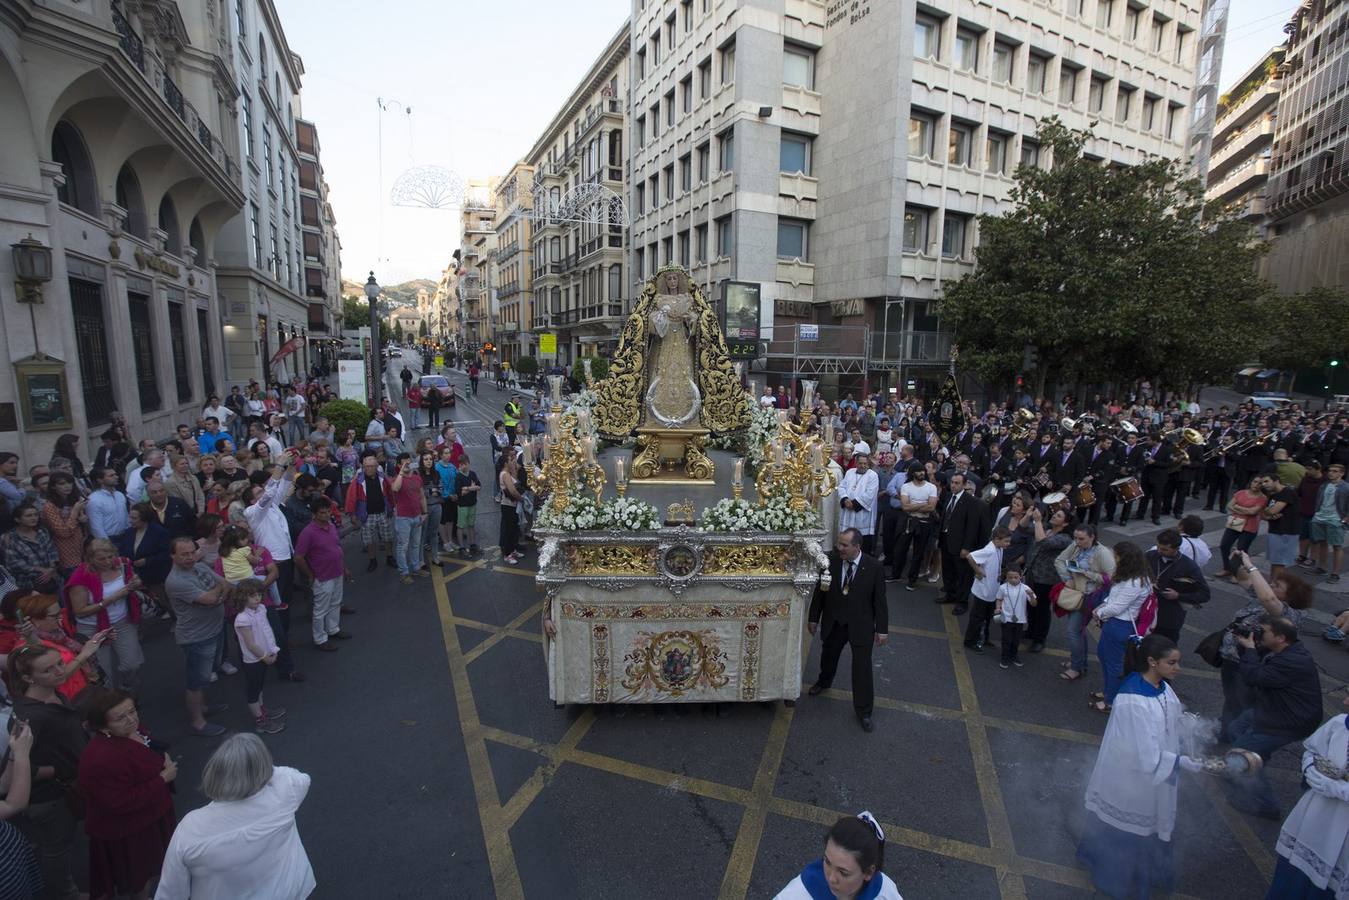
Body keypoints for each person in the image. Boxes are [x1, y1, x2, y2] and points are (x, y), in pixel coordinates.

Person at [1076, 634, 1205, 899]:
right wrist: (1180, 763)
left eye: (1177, 662)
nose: (1177, 668)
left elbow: (1168, 718)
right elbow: (1146, 757)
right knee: (1129, 830)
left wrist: (1185, 725)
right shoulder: (1134, 699)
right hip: (1132, 780)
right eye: (1172, 663)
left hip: (1154, 774)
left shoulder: (1162, 687)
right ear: (1152, 662)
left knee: (1150, 824)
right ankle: (1119, 881)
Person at [155, 734, 316, 899]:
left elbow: (171, 892)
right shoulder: (284, 795)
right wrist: (255, 762)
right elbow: (299, 778)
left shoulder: (191, 827)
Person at [8, 644, 92, 900]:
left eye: (59, 663)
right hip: (50, 798)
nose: (60, 671)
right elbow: (16, 769)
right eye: (48, 669)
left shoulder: (53, 695)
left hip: (66, 788)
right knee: (56, 850)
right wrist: (59, 770)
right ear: (28, 678)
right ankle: (65, 894)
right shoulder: (28, 716)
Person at [78, 690, 177, 900]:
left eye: (132, 711)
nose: (131, 719)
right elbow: (118, 802)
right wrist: (162, 779)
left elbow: (148, 747)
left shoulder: (130, 731)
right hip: (131, 829)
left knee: (151, 869)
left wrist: (162, 757)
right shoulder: (101, 757)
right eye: (120, 717)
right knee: (139, 876)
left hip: (149, 817)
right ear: (103, 726)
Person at [1226, 616, 1324, 819]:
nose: (1260, 634)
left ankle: (1266, 804)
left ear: (1280, 638)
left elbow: (1253, 677)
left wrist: (1251, 650)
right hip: (1274, 710)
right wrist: (1250, 643)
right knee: (1236, 728)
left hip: (1287, 721)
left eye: (1264, 632)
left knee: (1244, 751)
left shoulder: (1291, 661)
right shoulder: (1287, 650)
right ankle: (1252, 766)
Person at [1219, 552, 1314, 740]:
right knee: (1232, 698)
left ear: (1290, 596)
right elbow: (1243, 578)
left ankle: (1240, 741)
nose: (1271, 586)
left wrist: (1251, 565)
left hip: (1250, 662)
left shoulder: (1289, 614)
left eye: (1277, 586)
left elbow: (1268, 599)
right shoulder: (1264, 597)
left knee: (1243, 701)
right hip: (1232, 657)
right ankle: (1226, 731)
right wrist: (1240, 560)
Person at [1266, 691, 1349, 899]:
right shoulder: (1339, 724)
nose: (1345, 701)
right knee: (1293, 877)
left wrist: (1337, 789)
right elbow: (1312, 750)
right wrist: (1310, 769)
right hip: (1313, 817)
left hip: (1343, 832)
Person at [807, 529, 889, 733]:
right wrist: (813, 618)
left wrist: (882, 629)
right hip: (834, 621)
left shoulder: (874, 567)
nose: (839, 548)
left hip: (860, 625)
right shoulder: (830, 561)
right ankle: (824, 681)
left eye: (844, 545)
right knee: (829, 655)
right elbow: (820, 592)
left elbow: (880, 601)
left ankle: (864, 711)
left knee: (862, 669)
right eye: (839, 544)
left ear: (857, 547)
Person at [164, 537, 231, 737]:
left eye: (192, 552)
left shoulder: (199, 567)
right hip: (197, 637)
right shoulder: (176, 581)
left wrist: (217, 594)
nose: (190, 557)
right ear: (172, 556)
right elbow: (212, 597)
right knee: (196, 681)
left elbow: (224, 583)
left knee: (205, 675)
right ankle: (198, 722)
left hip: (215, 629)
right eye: (184, 554)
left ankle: (203, 708)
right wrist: (218, 593)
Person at [64, 539, 145, 694]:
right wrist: (112, 599)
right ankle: (108, 702)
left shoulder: (123, 564)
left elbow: (134, 580)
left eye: (110, 556)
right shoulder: (80, 578)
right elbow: (79, 611)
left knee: (131, 664)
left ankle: (127, 689)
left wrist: (136, 582)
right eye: (101, 559)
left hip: (122, 622)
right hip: (92, 628)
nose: (108, 561)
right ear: (90, 559)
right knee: (102, 671)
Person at [774, 812, 903, 899]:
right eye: (827, 862)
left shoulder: (885, 893)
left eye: (843, 873)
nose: (831, 878)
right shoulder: (798, 895)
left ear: (868, 872)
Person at [1089, 541, 1153, 712]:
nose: (1113, 559)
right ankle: (1108, 691)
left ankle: (1110, 701)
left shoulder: (1135, 582)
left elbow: (1118, 607)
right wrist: (1102, 606)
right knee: (1104, 656)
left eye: (1115, 556)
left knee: (1114, 663)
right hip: (1115, 623)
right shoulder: (1131, 577)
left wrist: (1100, 613)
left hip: (1120, 625)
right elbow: (1114, 598)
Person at [1056, 524, 1116, 684]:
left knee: (1073, 631)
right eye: (1075, 538)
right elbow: (1060, 560)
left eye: (1081, 539)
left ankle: (1076, 667)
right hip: (1076, 594)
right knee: (1078, 631)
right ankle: (1079, 661)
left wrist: (1087, 574)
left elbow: (1111, 578)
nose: (1077, 541)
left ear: (1092, 537)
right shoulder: (1075, 546)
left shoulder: (1102, 553)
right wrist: (1067, 578)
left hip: (1090, 597)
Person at [294, 498, 350, 652]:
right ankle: (320, 639)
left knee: (335, 602)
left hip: (336, 572)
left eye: (328, 511)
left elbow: (337, 547)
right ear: (314, 514)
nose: (326, 515)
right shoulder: (308, 533)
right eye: (322, 513)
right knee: (320, 609)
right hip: (322, 576)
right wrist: (310, 575)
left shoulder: (331, 526)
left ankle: (333, 629)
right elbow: (298, 557)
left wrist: (344, 567)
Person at [230, 580, 287, 733]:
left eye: (259, 595)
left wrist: (272, 649)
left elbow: (266, 631)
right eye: (253, 596)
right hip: (254, 660)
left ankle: (262, 711)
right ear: (243, 597)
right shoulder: (242, 619)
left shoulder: (261, 608)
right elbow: (250, 644)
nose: (258, 598)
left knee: (260, 685)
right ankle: (260, 720)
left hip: (264, 655)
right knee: (254, 690)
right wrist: (265, 657)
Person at [937, 472, 990, 616]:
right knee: (948, 572)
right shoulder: (948, 496)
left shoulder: (970, 502)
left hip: (960, 546)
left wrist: (966, 547)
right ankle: (950, 594)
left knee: (963, 576)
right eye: (952, 482)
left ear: (964, 484)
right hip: (946, 541)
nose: (953, 485)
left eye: (957, 483)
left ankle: (962, 602)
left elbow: (971, 527)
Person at [1147, 529, 1210, 644]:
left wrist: (1178, 595)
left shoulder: (1189, 566)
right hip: (1146, 611)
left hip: (1169, 617)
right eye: (1158, 547)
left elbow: (1204, 595)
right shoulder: (1150, 556)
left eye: (1165, 549)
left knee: (1164, 646)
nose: (1159, 551)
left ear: (1176, 549)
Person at [1026, 507, 1073, 655]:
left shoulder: (1065, 539)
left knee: (1042, 609)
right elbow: (1025, 528)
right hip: (1033, 574)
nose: (1054, 516)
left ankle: (1039, 639)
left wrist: (1038, 520)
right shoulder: (1046, 528)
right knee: (1031, 605)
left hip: (1047, 579)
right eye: (1055, 514)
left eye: (1058, 516)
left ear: (1065, 524)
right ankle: (1031, 630)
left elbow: (1043, 543)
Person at [962, 526, 1012, 651]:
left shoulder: (998, 548)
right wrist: (978, 570)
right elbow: (970, 556)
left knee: (987, 617)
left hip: (992, 589)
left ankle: (984, 638)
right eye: (1006, 541)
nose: (1008, 544)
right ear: (997, 539)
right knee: (977, 617)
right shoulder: (989, 550)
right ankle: (970, 641)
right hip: (983, 591)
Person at [888, 463, 937, 589]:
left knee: (918, 552)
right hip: (908, 521)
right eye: (919, 471)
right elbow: (905, 507)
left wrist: (913, 505)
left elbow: (931, 507)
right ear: (913, 473)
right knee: (900, 549)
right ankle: (895, 574)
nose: (922, 473)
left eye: (923, 471)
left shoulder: (931, 487)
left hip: (924, 523)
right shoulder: (906, 486)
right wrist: (923, 505)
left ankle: (912, 579)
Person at [0, 501, 59, 592]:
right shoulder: (10, 538)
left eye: (35, 515)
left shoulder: (42, 532)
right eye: (29, 516)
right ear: (17, 519)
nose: (34, 518)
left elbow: (52, 551)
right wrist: (40, 570)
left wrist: (51, 569)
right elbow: (13, 563)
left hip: (52, 579)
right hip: (29, 584)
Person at [1217, 475, 1266, 580]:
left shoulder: (1262, 498)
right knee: (1224, 545)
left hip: (1250, 526)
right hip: (1235, 523)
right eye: (1255, 481)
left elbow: (1253, 512)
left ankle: (1238, 573)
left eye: (1260, 483)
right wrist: (1245, 510)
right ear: (1251, 482)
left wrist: (1238, 507)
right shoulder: (1241, 493)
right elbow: (1229, 506)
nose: (1256, 485)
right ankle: (1227, 568)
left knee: (1241, 551)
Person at [1307, 461, 1349, 583]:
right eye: (1330, 471)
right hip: (1320, 517)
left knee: (1337, 546)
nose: (1331, 473)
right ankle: (1322, 567)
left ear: (1341, 473)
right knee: (1322, 543)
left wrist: (1345, 519)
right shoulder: (1324, 486)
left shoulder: (1345, 487)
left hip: (1335, 519)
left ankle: (1335, 573)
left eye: (1335, 471)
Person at [390, 453, 429, 583]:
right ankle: (404, 572)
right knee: (403, 546)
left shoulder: (417, 478)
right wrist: (401, 473)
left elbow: (422, 496)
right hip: (403, 518)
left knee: (415, 544)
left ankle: (416, 568)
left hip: (417, 516)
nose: (408, 464)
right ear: (399, 465)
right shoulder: (397, 478)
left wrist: (425, 512)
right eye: (404, 463)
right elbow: (395, 488)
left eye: (409, 461)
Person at [40, 473, 86, 575]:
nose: (67, 486)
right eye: (62, 484)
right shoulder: (49, 506)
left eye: (70, 483)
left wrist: (83, 519)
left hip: (82, 548)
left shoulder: (75, 500)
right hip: (65, 552)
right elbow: (63, 532)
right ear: (53, 486)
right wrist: (74, 512)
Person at [1261, 467, 1301, 578]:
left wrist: (1268, 512)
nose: (1264, 484)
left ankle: (1277, 586)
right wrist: (1269, 514)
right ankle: (1272, 583)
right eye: (1262, 482)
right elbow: (1264, 515)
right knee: (1275, 561)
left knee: (1280, 562)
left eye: (1266, 481)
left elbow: (1272, 510)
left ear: (1276, 480)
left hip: (1286, 532)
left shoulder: (1286, 492)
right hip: (1275, 530)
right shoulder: (1273, 495)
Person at [995, 566, 1036, 669]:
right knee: (1006, 639)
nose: (1013, 579)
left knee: (1016, 639)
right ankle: (1004, 657)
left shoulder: (1026, 588)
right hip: (1006, 618)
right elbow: (999, 599)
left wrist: (1031, 596)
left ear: (1021, 576)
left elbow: (1034, 604)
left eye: (1015, 577)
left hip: (1020, 619)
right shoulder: (1003, 587)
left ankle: (1013, 655)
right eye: (1010, 577)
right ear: (1006, 577)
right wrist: (998, 608)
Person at [838, 452, 880, 554]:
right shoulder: (849, 472)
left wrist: (854, 504)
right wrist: (845, 499)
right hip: (848, 513)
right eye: (860, 463)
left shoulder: (872, 475)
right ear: (856, 463)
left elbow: (870, 494)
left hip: (862, 514)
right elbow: (841, 487)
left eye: (865, 463)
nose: (863, 466)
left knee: (862, 542)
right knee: (847, 539)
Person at [86, 466, 130, 540]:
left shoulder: (119, 495)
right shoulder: (94, 500)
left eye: (115, 474)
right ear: (100, 480)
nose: (116, 477)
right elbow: (96, 527)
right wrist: (107, 544)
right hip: (109, 539)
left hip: (125, 536)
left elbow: (125, 516)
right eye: (111, 476)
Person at [497, 451, 523, 567]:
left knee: (513, 528)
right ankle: (508, 554)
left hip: (512, 505)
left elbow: (516, 482)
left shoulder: (509, 473)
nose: (512, 461)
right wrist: (520, 498)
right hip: (508, 505)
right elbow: (512, 490)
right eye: (510, 460)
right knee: (509, 529)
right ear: (505, 463)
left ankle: (513, 550)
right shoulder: (505, 474)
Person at [455, 454, 482, 558]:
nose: (464, 466)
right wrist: (471, 487)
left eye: (465, 464)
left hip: (472, 503)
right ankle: (462, 547)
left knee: (471, 525)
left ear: (468, 463)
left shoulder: (472, 474)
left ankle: (472, 544)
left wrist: (467, 488)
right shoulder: (458, 477)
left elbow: (479, 486)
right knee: (461, 526)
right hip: (462, 505)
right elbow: (459, 493)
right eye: (461, 465)